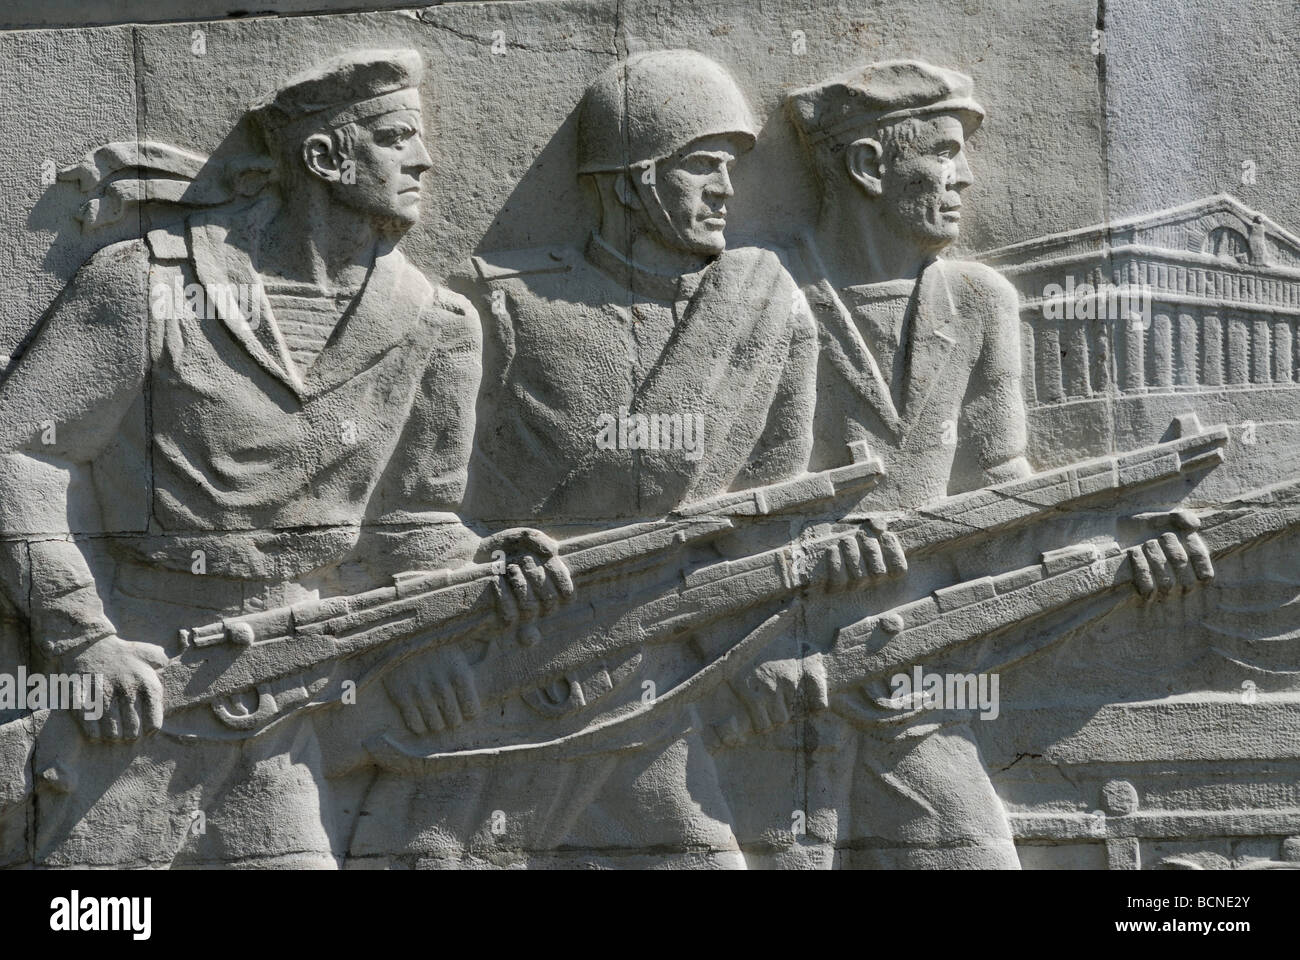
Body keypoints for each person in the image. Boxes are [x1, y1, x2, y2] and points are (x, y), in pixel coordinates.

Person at [0, 48, 561, 868]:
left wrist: (486, 565)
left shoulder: (437, 326)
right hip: (139, 692)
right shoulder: (149, 283)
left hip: (289, 706)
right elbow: (23, 456)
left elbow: (410, 524)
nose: (426, 158)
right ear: (326, 157)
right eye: (397, 136)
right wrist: (83, 640)